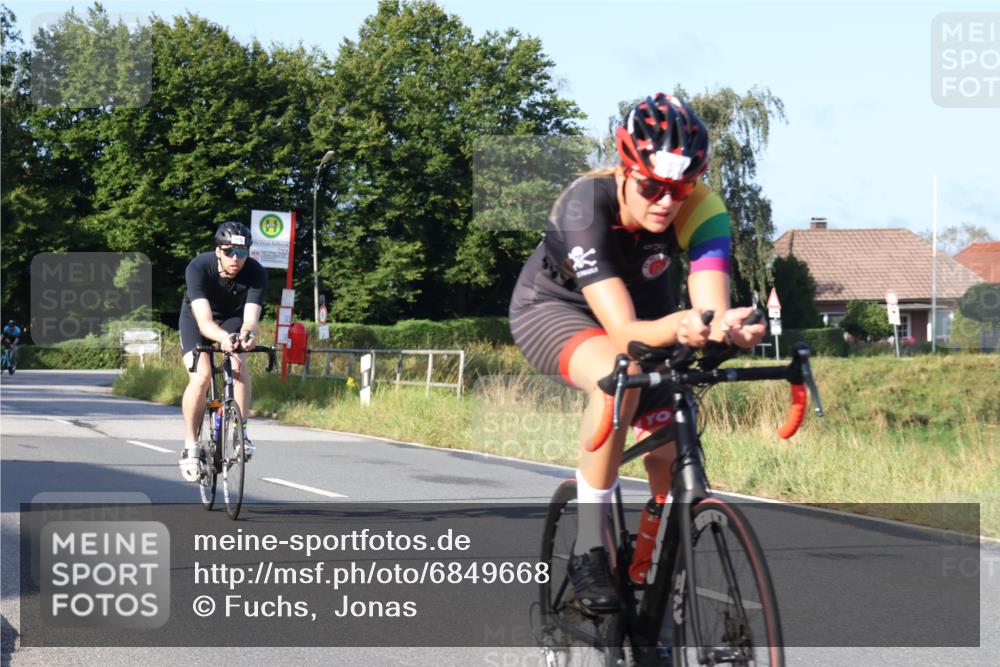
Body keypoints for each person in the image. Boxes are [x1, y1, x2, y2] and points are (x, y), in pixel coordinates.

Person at [509, 93, 766, 611]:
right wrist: (680, 325)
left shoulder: (704, 209)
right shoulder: (584, 205)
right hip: (555, 308)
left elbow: (708, 307)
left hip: (648, 317)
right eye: (651, 186)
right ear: (626, 170)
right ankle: (589, 547)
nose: (666, 202)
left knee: (671, 444)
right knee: (616, 377)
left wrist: (727, 329)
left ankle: (650, 579)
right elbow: (624, 332)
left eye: (681, 188)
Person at [178, 222, 267, 482]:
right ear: (218, 250)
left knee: (238, 363)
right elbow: (205, 322)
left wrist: (247, 336)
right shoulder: (198, 267)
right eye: (229, 252)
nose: (236, 259)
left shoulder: (256, 273)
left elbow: (250, 320)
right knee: (201, 376)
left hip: (231, 319)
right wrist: (222, 338)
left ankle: (240, 431)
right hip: (197, 319)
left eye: (242, 252)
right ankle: (192, 445)